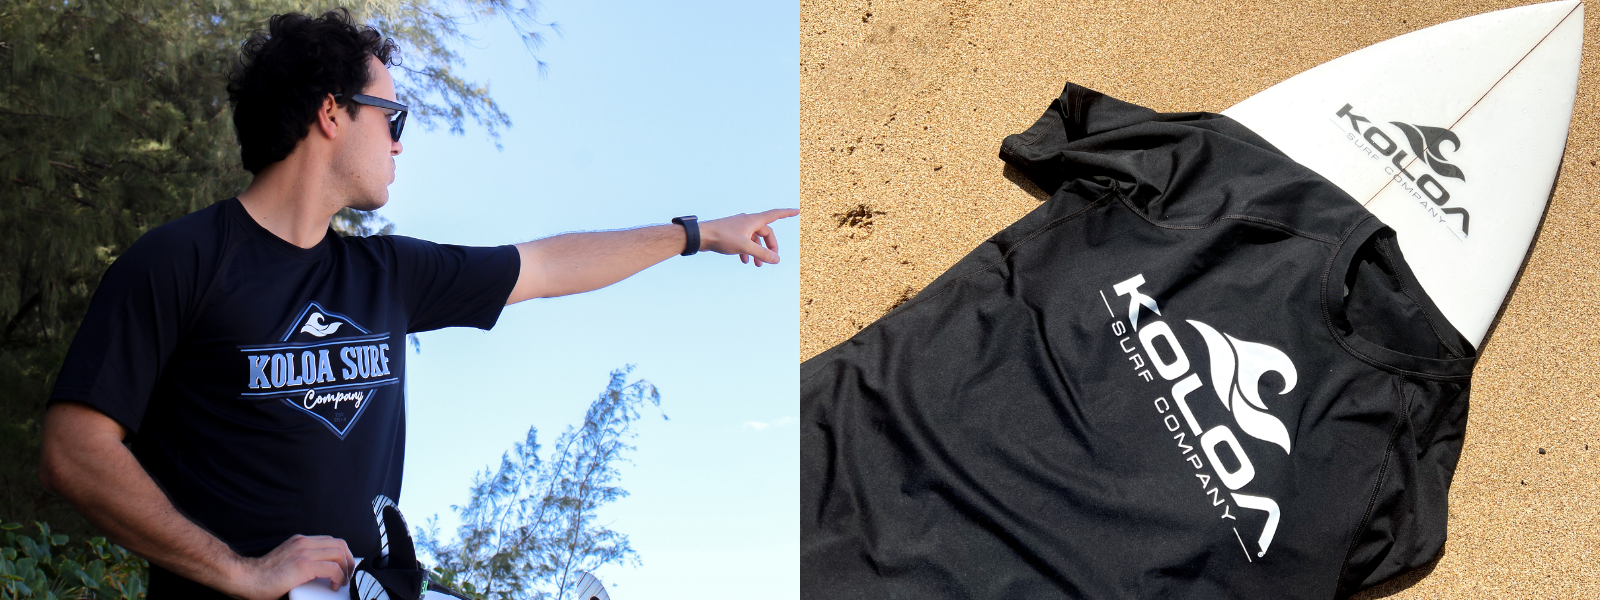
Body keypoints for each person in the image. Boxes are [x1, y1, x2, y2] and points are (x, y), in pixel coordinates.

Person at [36, 9, 796, 600]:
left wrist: (695, 235)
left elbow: (545, 264)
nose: (400, 143)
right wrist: (239, 571)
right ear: (331, 114)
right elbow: (76, 448)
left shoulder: (385, 274)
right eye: (391, 118)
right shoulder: (179, 262)